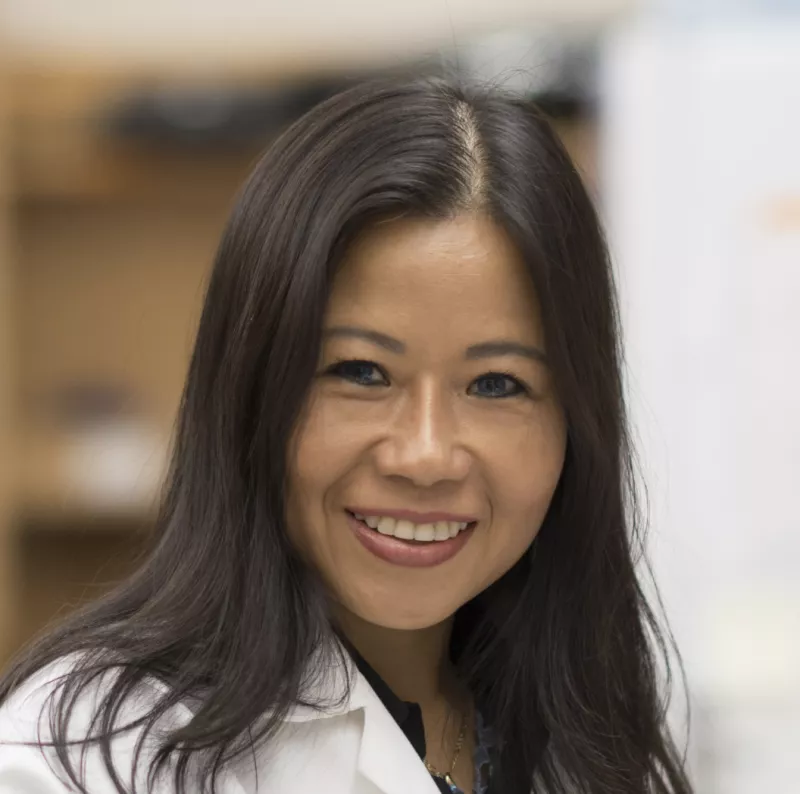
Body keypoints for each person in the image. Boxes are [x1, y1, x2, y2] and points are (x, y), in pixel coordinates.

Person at [0, 76, 693, 794]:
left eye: (495, 384)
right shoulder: (83, 756)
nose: (424, 455)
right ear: (249, 386)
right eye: (361, 372)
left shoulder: (597, 742)